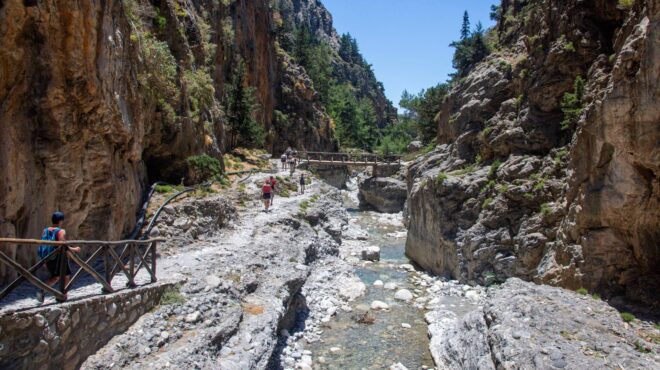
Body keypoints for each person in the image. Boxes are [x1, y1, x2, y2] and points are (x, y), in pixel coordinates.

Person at [36, 211, 80, 303]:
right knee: (66, 276)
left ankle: (42, 291)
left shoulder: (45, 230)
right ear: (60, 221)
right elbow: (63, 245)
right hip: (58, 259)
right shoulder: (61, 231)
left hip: (48, 257)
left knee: (56, 277)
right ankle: (62, 295)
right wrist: (75, 249)